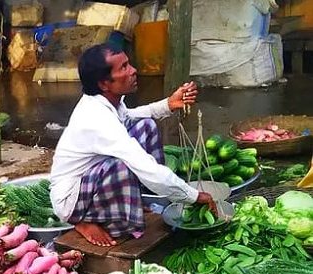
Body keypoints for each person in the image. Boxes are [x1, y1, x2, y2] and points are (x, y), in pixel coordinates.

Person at [49, 43, 216, 247]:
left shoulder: (107, 101)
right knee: (124, 165)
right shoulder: (96, 118)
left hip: (91, 179)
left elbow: (130, 117)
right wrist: (193, 195)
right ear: (104, 84)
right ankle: (90, 223)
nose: (133, 71)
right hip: (72, 201)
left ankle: (135, 201)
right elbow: (145, 167)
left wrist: (168, 105)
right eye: (124, 68)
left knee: (145, 126)